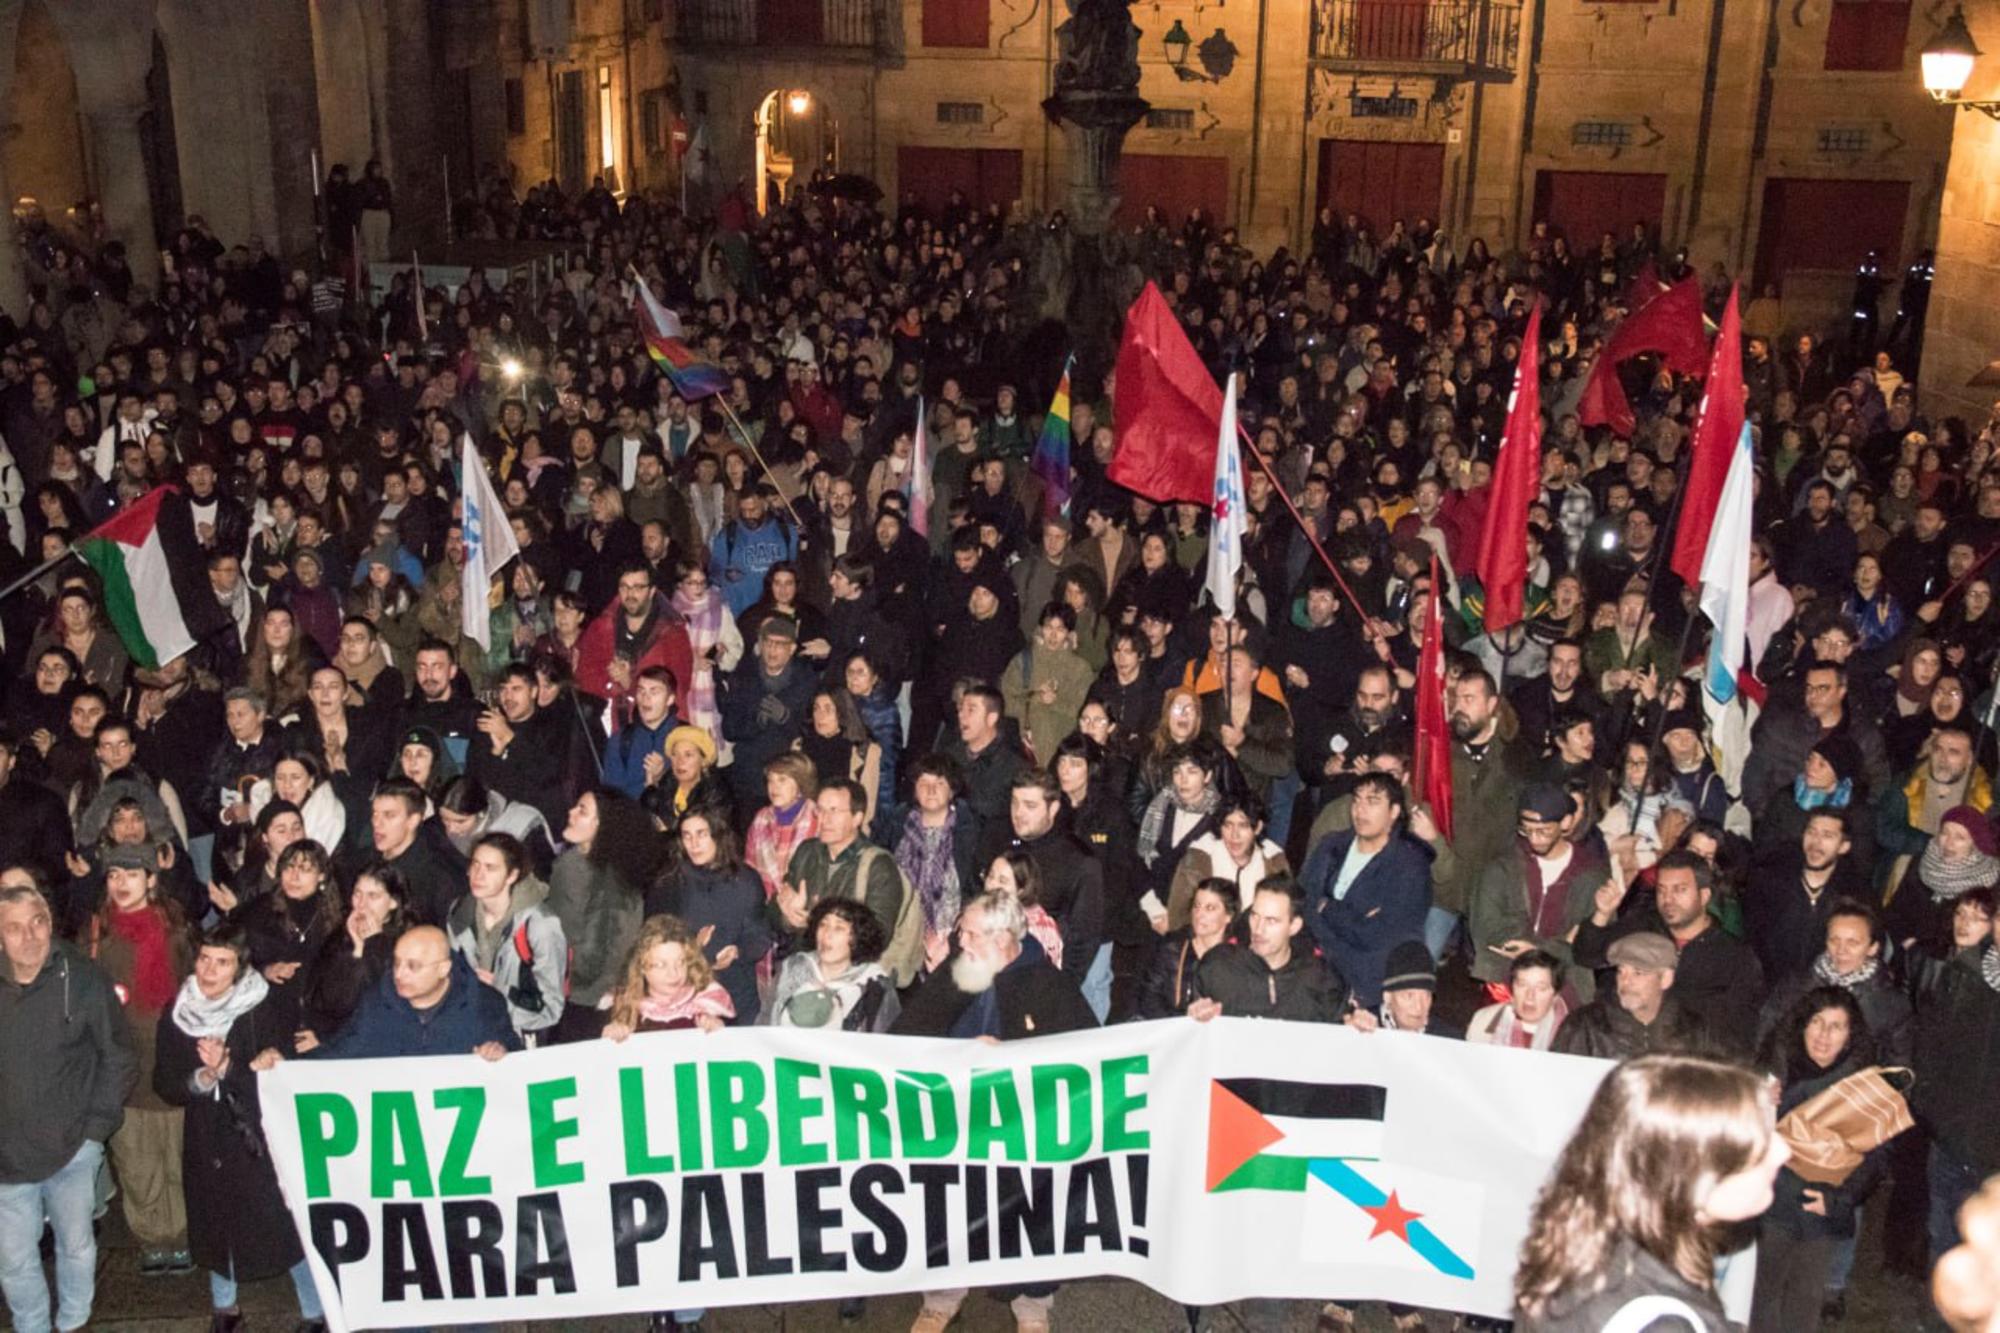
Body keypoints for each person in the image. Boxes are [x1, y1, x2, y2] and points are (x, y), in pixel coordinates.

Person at [896, 890, 1097, 1333]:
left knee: (1034, 1210)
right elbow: (907, 1035)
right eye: (961, 932)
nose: (959, 942)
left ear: (1004, 938)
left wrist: (1009, 1056)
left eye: (970, 934)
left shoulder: (1046, 983)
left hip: (1023, 1128)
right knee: (946, 1207)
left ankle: (1033, 1304)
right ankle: (942, 1296)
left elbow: (1085, 1055)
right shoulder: (958, 972)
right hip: (957, 1121)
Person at [1514, 1054, 1791, 1332]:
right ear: (1691, 1174)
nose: (1783, 1151)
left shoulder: (1592, 1252)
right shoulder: (1660, 1321)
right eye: (1757, 1142)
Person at [155, 926, 325, 1333]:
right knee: (216, 1220)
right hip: (205, 1134)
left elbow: (280, 1078)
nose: (210, 971)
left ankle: (315, 1310)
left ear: (240, 968)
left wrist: (231, 1068)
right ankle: (224, 1308)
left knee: (280, 1220)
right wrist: (200, 1079)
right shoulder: (178, 1011)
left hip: (255, 1137)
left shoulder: (262, 1007)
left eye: (223, 962)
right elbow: (165, 1081)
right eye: (204, 960)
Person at [0, 874, 137, 1333]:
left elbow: (117, 1054)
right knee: (15, 1261)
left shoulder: (81, 977)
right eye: (14, 927)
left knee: (76, 1246)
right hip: (6, 1159)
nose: (29, 936)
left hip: (72, 1148)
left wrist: (95, 1131)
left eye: (38, 922)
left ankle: (75, 1321)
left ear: (50, 920)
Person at [1750, 986, 1892, 1333]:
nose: (1824, 1036)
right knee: (1761, 1294)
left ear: (1850, 1035)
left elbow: (1876, 1156)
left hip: (1819, 1207)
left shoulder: (1862, 1083)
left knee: (1805, 1296)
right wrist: (1755, 1097)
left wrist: (1839, 1200)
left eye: (1836, 1026)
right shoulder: (1775, 1067)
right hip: (1773, 1200)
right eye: (1816, 1022)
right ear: (1802, 1025)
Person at [1574, 850, 1767, 1049]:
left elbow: (1741, 1035)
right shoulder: (1642, 929)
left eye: (1679, 890)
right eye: (1662, 890)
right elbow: (1586, 955)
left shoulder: (1733, 957)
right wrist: (1602, 914)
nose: (1668, 900)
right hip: (1625, 1047)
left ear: (1704, 896)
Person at [1301, 772, 1432, 1008]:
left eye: (1372, 802)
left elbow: (1381, 934)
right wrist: (1353, 919)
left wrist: (1328, 908)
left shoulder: (1409, 864)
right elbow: (1306, 901)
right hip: (1317, 973)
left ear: (1393, 812)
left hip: (1367, 984)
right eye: (1357, 800)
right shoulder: (1331, 845)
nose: (1360, 810)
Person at [290, 925, 518, 1060]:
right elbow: (339, 1055)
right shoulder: (376, 1003)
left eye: (413, 966)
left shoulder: (484, 1003)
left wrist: (500, 1052)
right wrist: (281, 1067)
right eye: (397, 963)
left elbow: (519, 1064)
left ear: (443, 969)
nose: (399, 974)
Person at [544, 790, 659, 1043]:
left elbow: (604, 949)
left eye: (582, 810)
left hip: (586, 1003)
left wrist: (563, 984)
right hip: (565, 992)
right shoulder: (573, 863)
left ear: (603, 825)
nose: (571, 813)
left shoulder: (609, 880)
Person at [645, 810, 770, 1023]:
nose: (694, 843)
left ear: (718, 835)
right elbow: (651, 942)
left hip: (736, 993)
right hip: (684, 999)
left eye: (701, 834)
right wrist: (692, 947)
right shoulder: (668, 881)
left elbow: (759, 935)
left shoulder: (746, 880)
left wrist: (737, 951)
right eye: (687, 835)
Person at [444, 832, 565, 1043]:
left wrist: (498, 993)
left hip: (520, 1038)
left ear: (512, 876)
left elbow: (550, 1009)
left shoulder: (541, 925)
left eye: (490, 868)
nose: (478, 875)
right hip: (471, 1032)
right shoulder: (459, 913)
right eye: (475, 865)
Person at [1190, 879, 1348, 1023]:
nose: (1258, 929)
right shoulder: (1217, 965)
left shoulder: (1320, 978)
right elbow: (1189, 1034)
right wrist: (1192, 1016)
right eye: (1254, 916)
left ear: (1294, 926)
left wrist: (1356, 1025)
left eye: (1271, 921)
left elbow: (1339, 1037)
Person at [1554, 931, 1719, 1059]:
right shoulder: (1585, 1026)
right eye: (1621, 972)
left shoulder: (1692, 1030)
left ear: (1665, 979)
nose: (1626, 981)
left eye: (1638, 973)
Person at [767, 896, 901, 1031]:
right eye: (823, 924)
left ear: (858, 937)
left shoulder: (872, 985)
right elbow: (764, 1021)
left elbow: (885, 1043)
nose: (827, 934)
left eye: (839, 928)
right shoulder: (793, 968)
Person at [1467, 949, 1570, 1048]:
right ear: (1512, 987)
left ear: (1555, 996)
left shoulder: (1573, 1033)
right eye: (1522, 985)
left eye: (1540, 988)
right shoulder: (1484, 1021)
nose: (1530, 996)